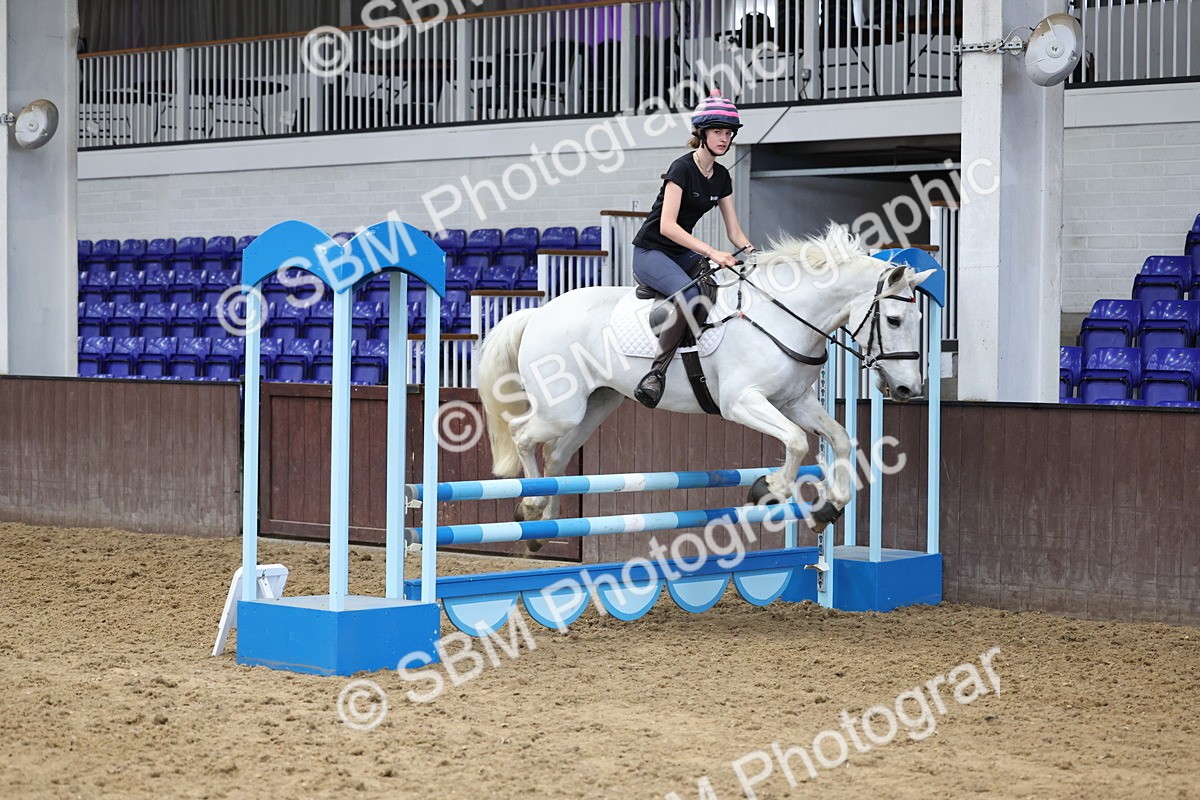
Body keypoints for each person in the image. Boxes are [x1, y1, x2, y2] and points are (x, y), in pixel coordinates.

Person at [630, 91, 754, 409]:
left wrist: (752, 253)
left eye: (728, 133)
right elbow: (667, 226)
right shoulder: (681, 168)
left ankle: (693, 352)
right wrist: (713, 252)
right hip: (651, 253)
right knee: (689, 293)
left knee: (715, 284)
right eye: (718, 132)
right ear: (701, 133)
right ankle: (655, 374)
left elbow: (734, 231)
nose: (724, 138)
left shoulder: (722, 176)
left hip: (682, 254)